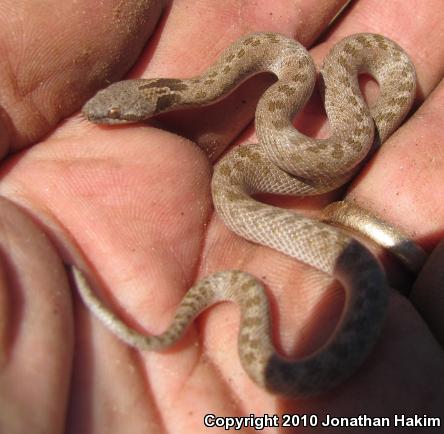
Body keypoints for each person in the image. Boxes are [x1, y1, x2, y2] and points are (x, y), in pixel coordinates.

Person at [0, 0, 443, 432]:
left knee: (335, 159)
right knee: (252, 177)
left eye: (113, 113)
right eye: (112, 109)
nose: (103, 116)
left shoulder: (290, 82)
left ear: (152, 106)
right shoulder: (244, 101)